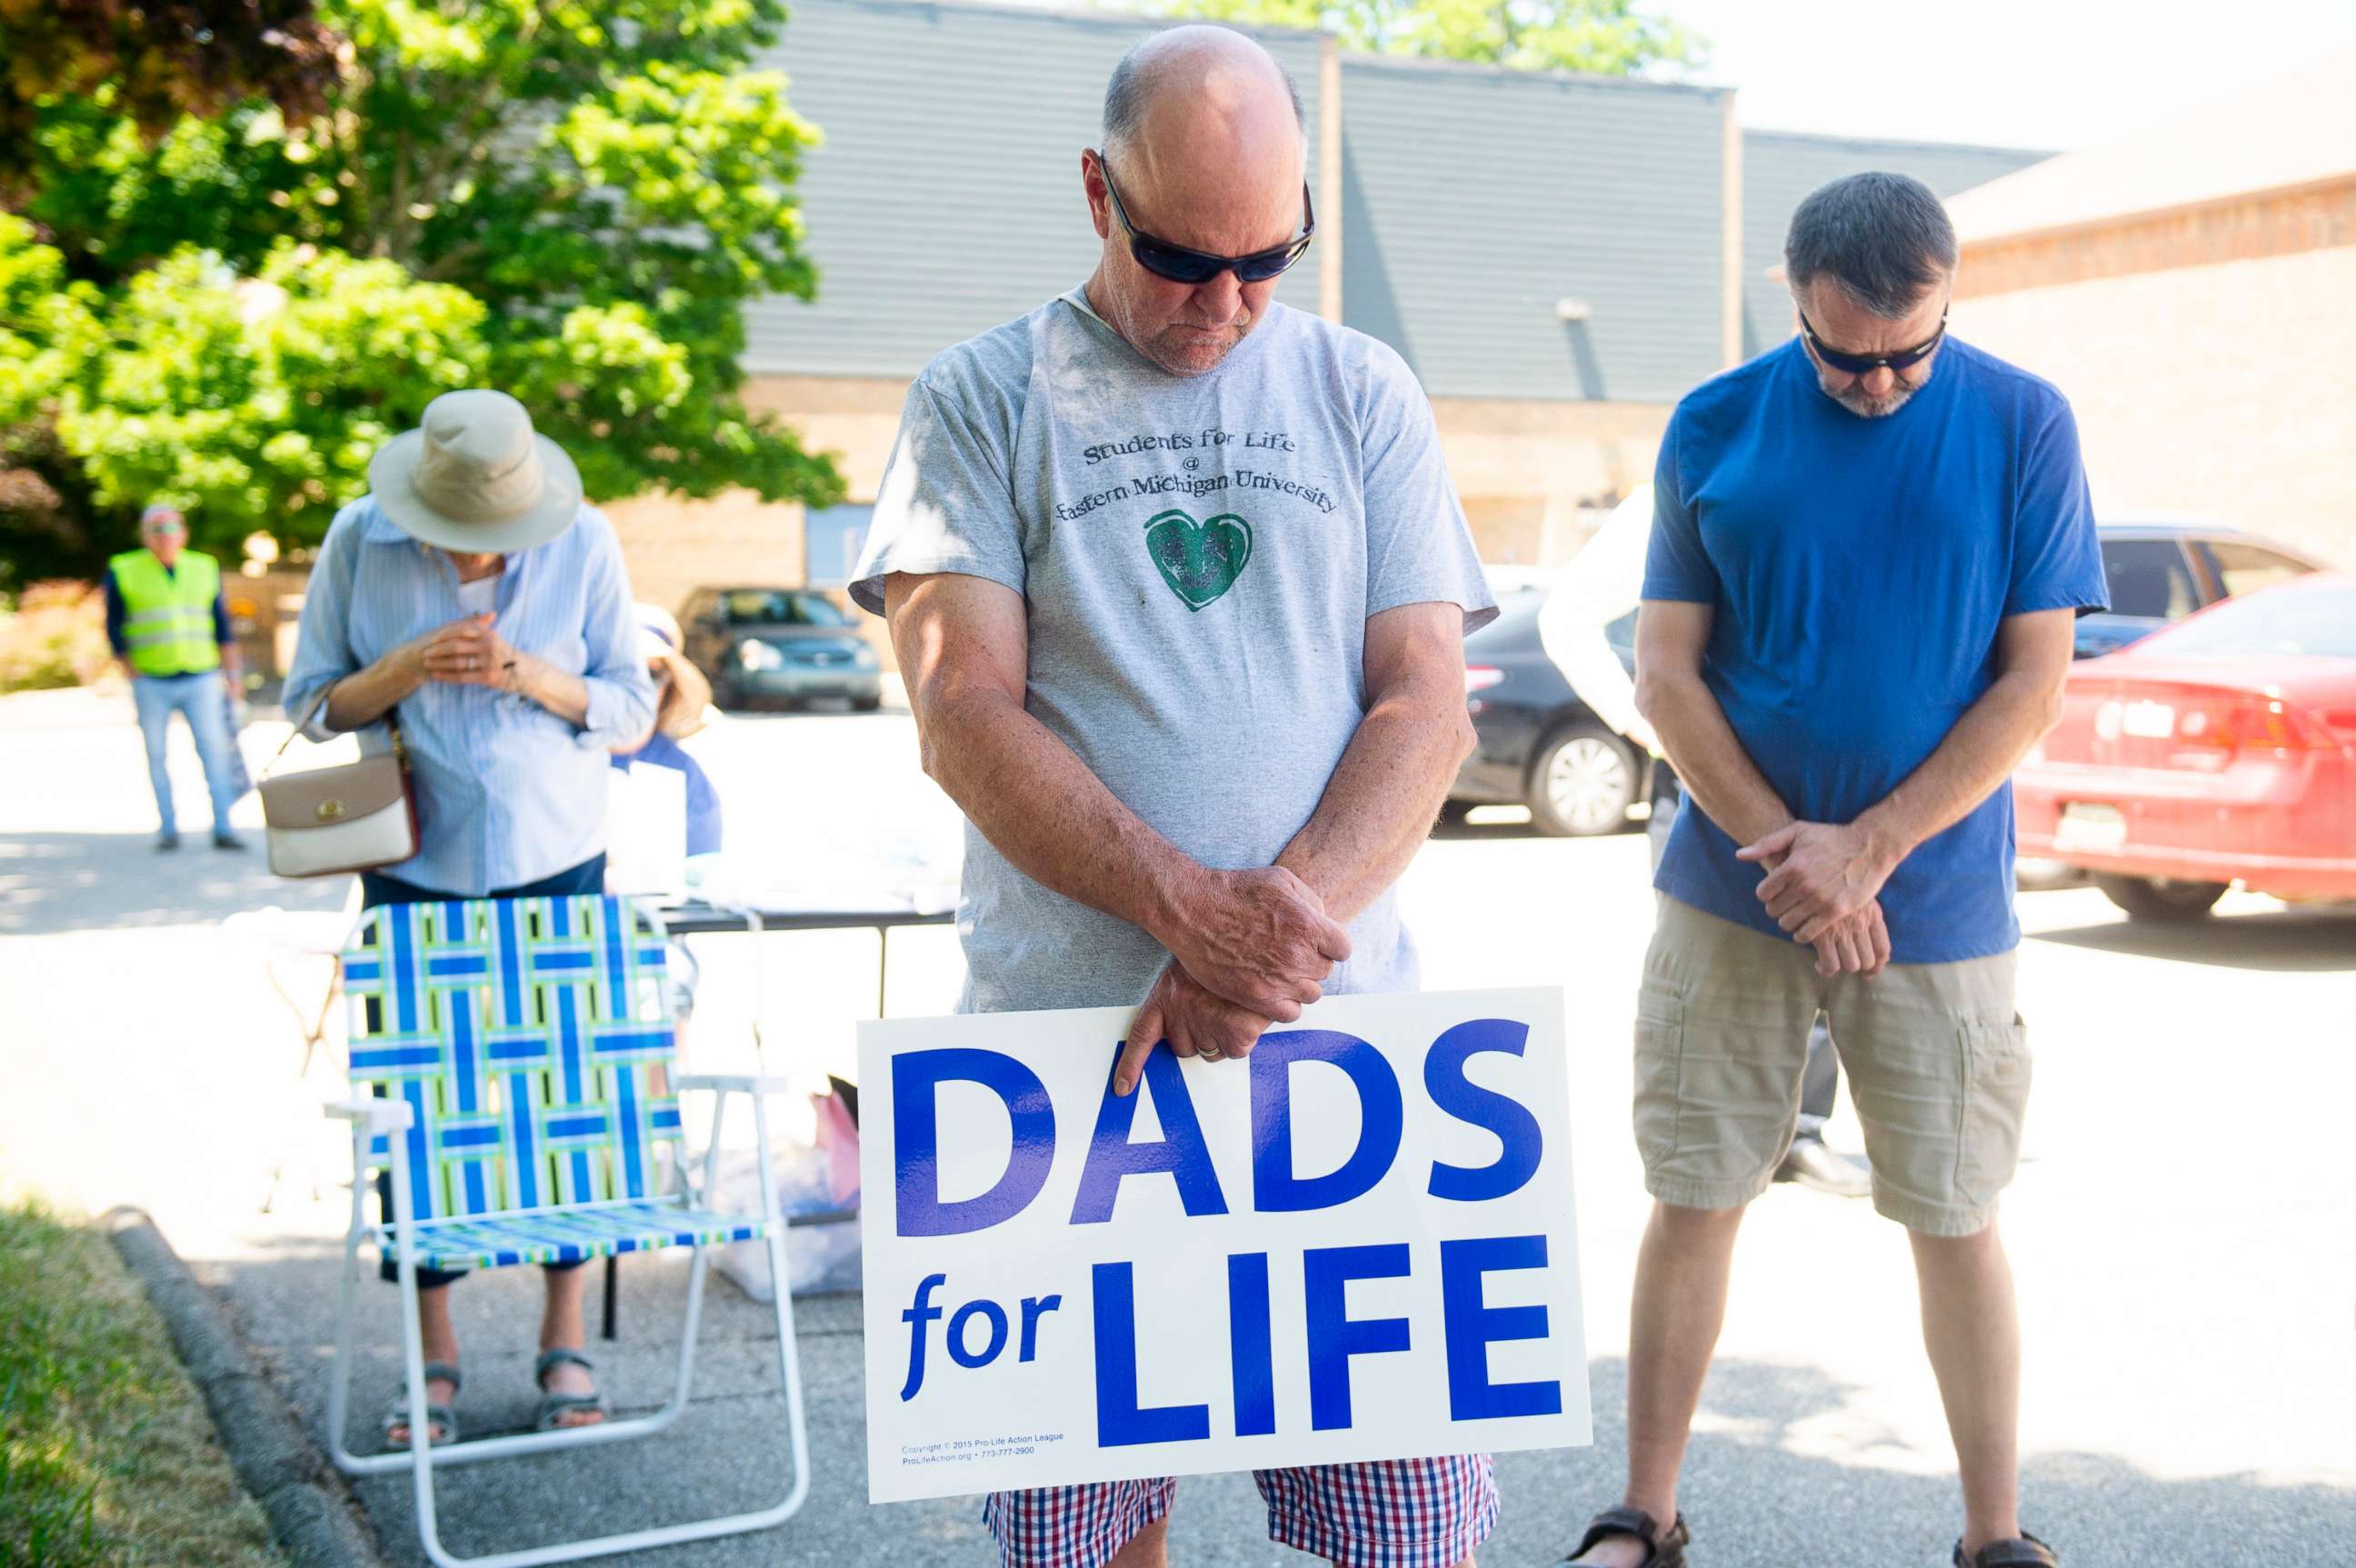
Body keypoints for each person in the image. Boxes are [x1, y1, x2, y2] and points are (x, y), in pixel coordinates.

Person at [851, 26, 1498, 1568]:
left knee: (1406, 1535)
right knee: (1089, 1540)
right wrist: (1191, 919)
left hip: (1343, 1076)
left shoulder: (1360, 388)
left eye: (1266, 259)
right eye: (1181, 257)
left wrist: (1262, 953)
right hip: (1072, 1086)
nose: (1225, 304)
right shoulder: (979, 398)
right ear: (1095, 191)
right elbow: (959, 707)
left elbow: (1426, 702)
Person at [1552, 173, 2105, 1568]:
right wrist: (1792, 857)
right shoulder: (1715, 421)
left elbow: (2033, 683)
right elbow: (1665, 673)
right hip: (1727, 897)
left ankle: (1995, 1537)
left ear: (1947, 296)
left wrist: (1868, 851)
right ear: (1790, 297)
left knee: (1956, 1212)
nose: (1876, 380)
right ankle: (1647, 1511)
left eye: (1908, 350)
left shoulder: (2025, 423)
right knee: (1694, 1195)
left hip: (1941, 903)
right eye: (1843, 352)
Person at [281, 388, 655, 1450]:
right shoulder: (361, 537)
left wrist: (526, 674)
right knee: (423, 1117)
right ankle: (433, 1354)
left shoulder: (583, 541)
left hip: (558, 865)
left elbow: (633, 705)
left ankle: (563, 1338)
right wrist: (401, 668)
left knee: (570, 1106)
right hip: (415, 872)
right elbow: (309, 703)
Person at [1539, 489, 1868, 1199]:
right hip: (1701, 784)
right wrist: (1647, 727)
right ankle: (1713, 1146)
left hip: (1817, 790)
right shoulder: (1696, 476)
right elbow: (1566, 620)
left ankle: (1801, 1131)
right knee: (1706, 971)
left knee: (1822, 955)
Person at [106, 504, 246, 850]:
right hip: (151, 679)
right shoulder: (124, 569)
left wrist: (233, 676)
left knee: (214, 750)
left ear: (183, 532)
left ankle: (224, 826)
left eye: (171, 528)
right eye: (156, 528)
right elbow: (113, 625)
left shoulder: (203, 567)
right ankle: (168, 828)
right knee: (157, 754)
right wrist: (131, 670)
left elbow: (222, 626)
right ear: (144, 534)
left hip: (199, 675)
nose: (164, 536)